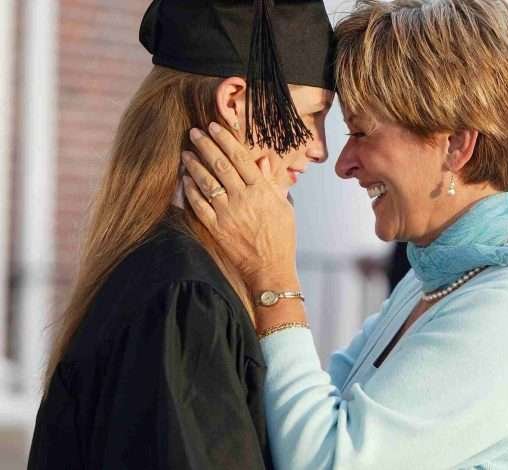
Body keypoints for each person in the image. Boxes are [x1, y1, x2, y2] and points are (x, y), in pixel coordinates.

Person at [181, 0, 508, 468]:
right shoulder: (439, 277)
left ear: (455, 145)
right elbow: (309, 414)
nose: (342, 163)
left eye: (361, 133)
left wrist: (272, 274)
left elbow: (326, 458)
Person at [27, 1, 335, 468]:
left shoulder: (161, 266)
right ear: (234, 102)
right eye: (313, 115)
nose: (320, 149)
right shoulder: (187, 298)